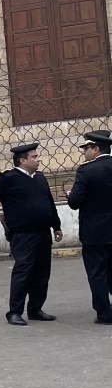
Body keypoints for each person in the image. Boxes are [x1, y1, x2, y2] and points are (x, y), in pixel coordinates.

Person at [0, 143, 63, 325]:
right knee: (23, 271)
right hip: (23, 234)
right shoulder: (7, 178)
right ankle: (15, 312)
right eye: (34, 157)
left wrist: (56, 226)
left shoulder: (40, 178)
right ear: (22, 160)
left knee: (42, 273)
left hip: (43, 232)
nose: (38, 159)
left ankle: (35, 309)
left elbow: (49, 203)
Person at [66, 129, 112, 324]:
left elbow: (75, 202)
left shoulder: (86, 170)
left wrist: (70, 195)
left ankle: (104, 314)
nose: (84, 151)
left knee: (97, 272)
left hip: (94, 233)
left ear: (95, 148)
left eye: (86, 148)